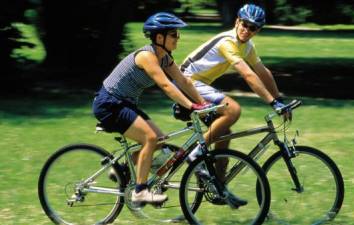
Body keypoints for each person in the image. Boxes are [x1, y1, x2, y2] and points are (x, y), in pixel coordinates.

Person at [92, 12, 208, 205]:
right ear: (159, 37)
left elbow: (183, 81)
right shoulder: (147, 56)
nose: (177, 38)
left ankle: (121, 170)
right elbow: (166, 85)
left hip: (124, 103)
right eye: (174, 34)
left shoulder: (165, 58)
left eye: (177, 34)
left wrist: (204, 104)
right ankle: (140, 191)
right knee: (150, 138)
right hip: (109, 103)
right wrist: (190, 105)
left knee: (160, 140)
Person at [179, 4, 292, 171]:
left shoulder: (247, 46)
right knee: (233, 110)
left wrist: (279, 99)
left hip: (197, 84)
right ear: (237, 21)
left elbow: (262, 71)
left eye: (252, 28)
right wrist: (272, 102)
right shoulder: (228, 42)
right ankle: (196, 153)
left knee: (223, 133)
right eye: (244, 24)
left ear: (257, 30)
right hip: (186, 82)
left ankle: (219, 186)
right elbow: (248, 75)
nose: (246, 30)